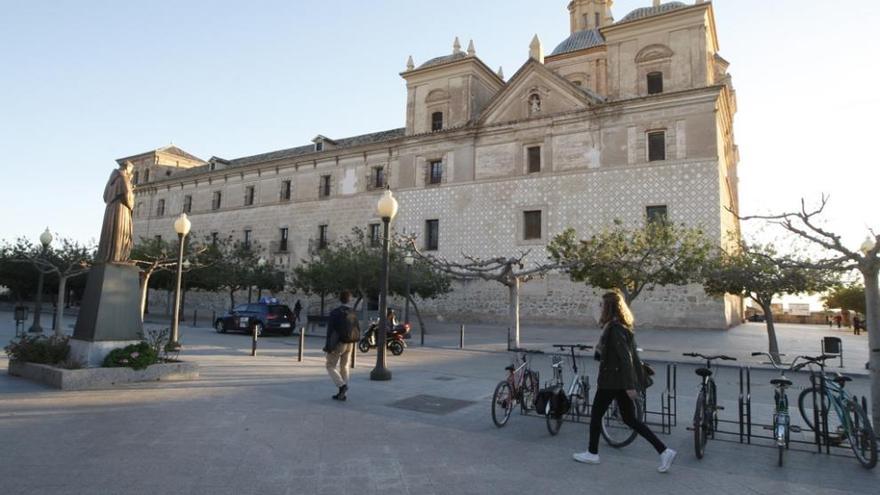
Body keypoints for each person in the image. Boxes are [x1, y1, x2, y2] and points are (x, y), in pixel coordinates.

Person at [573, 292, 677, 473]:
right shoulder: (617, 326)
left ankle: (592, 453)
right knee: (629, 419)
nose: (599, 307)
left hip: (612, 381)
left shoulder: (614, 329)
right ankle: (664, 450)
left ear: (609, 307)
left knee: (596, 415)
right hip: (617, 380)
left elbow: (626, 359)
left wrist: (630, 386)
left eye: (601, 305)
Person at [323, 291, 360, 401]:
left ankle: (342, 386)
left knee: (330, 365)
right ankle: (342, 394)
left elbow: (331, 331)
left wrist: (329, 346)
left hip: (338, 343)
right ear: (349, 300)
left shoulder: (335, 312)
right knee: (344, 367)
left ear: (340, 299)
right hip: (350, 343)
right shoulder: (353, 312)